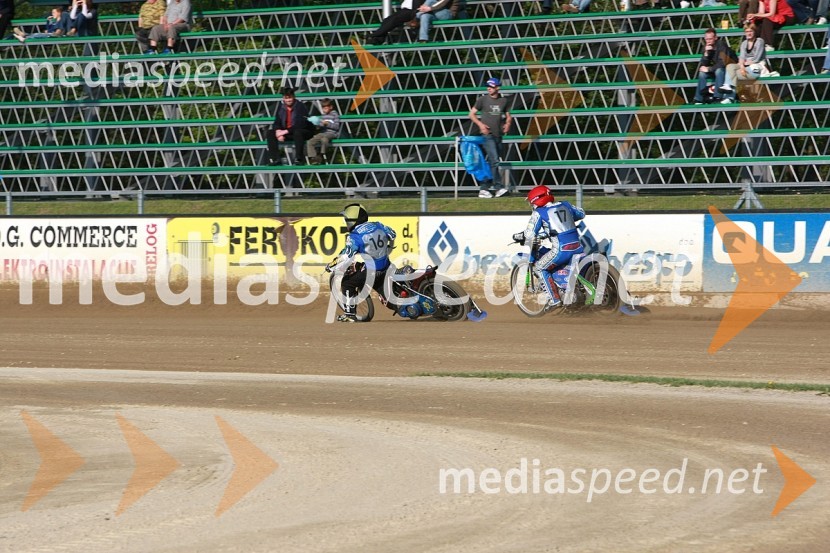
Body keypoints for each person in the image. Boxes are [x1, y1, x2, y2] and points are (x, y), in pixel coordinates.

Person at [512, 185, 585, 308]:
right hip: (578, 247)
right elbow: (581, 214)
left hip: (561, 250)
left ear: (535, 200)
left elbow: (529, 234)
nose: (532, 206)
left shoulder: (539, 212)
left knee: (540, 268)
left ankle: (554, 300)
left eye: (531, 203)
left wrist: (517, 236)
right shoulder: (565, 205)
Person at [328, 204, 397, 323]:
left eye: (346, 220)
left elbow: (346, 256)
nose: (345, 222)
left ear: (352, 221)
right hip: (386, 266)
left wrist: (331, 265)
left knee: (348, 282)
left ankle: (350, 314)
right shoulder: (377, 225)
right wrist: (388, 248)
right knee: (390, 302)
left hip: (373, 272)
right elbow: (392, 234)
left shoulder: (355, 236)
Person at [468, 77, 513, 198]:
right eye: (488, 86)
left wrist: (508, 124)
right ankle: (498, 187)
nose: (489, 88)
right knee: (494, 160)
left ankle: (484, 187)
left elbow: (508, 115)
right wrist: (481, 125)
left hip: (498, 134)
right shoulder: (482, 100)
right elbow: (471, 114)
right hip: (487, 135)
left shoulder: (504, 101)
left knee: (493, 161)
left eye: (492, 87)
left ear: (497, 88)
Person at [719, 24, 766, 103]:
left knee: (732, 75)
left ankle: (729, 97)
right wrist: (742, 66)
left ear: (754, 32)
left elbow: (756, 59)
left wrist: (745, 63)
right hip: (744, 66)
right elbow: (741, 57)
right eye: (747, 31)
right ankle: (728, 87)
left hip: (755, 68)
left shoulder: (759, 41)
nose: (749, 33)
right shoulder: (744, 43)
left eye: (751, 31)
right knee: (730, 66)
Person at [267, 88, 315, 165]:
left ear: (294, 97)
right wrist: (278, 131)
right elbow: (277, 122)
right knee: (270, 133)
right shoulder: (281, 108)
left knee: (298, 132)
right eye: (286, 98)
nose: (288, 100)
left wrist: (284, 132)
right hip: (288, 132)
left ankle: (299, 159)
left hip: (304, 131)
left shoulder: (300, 107)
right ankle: (275, 159)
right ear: (283, 98)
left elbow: (301, 124)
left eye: (290, 97)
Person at [692, 28, 732, 104]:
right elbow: (703, 65)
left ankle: (717, 97)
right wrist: (706, 53)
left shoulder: (722, 45)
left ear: (715, 38)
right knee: (702, 73)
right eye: (706, 39)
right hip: (715, 69)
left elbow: (723, 63)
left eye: (710, 39)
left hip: (727, 70)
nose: (708, 41)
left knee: (719, 71)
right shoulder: (706, 47)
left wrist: (709, 69)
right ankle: (699, 99)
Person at [306, 98, 341, 165]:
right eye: (323, 108)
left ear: (330, 107)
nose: (324, 110)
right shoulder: (323, 116)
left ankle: (321, 155)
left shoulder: (335, 115)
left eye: (325, 108)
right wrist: (317, 125)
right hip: (323, 133)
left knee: (324, 140)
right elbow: (321, 125)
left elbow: (336, 127)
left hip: (332, 133)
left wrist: (327, 124)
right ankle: (313, 157)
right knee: (310, 141)